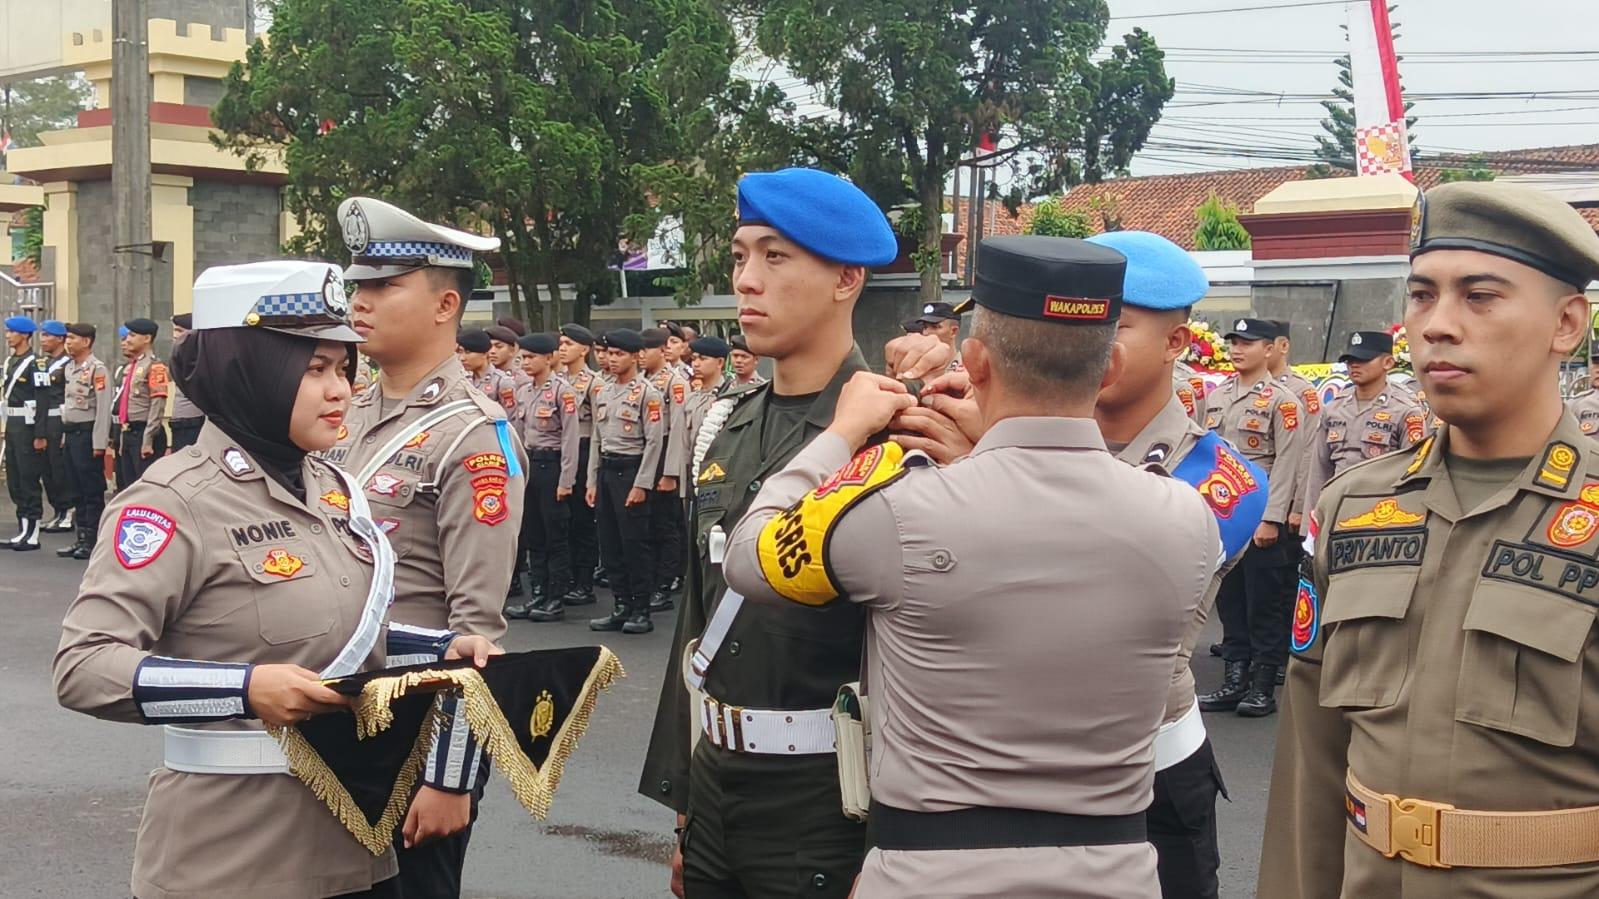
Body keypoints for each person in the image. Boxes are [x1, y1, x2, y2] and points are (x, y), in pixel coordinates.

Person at [720, 234, 1220, 898]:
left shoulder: (897, 511)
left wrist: (838, 435)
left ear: (974, 362)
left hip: (927, 872)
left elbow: (751, 555)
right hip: (1115, 870)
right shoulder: (1186, 515)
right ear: (1106, 369)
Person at [53, 258, 496, 899]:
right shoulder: (175, 501)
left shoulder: (333, 488)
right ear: (248, 370)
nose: (341, 389)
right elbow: (83, 666)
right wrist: (244, 689)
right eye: (314, 369)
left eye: (344, 368)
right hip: (232, 854)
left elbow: (334, 635)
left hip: (358, 848)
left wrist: (440, 650)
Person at [1258, 183, 1599, 896]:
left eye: (1479, 296)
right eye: (1421, 295)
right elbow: (1311, 761)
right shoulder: (1354, 505)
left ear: (1566, 323)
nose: (1437, 324)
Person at [640, 166, 897, 899]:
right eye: (739, 255)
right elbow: (698, 624)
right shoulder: (728, 423)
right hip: (719, 783)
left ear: (847, 277)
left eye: (775, 256)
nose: (746, 279)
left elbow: (915, 654)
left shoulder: (888, 438)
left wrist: (890, 840)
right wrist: (686, 807)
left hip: (829, 800)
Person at [325, 196, 525, 897]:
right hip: (329, 716)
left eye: (383, 285)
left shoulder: (472, 435)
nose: (361, 300)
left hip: (410, 734)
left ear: (445, 304)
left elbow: (476, 631)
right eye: (357, 284)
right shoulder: (345, 413)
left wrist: (451, 776)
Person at [1084, 230, 1271, 899]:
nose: (1089, 339)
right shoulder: (1004, 437)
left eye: (1117, 324)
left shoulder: (1221, 477)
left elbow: (1107, 600)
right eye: (1076, 318)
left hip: (1150, 772)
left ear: (1175, 344)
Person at [1199, 317, 1305, 717]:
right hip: (1224, 513)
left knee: (1264, 602)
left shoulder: (1283, 400)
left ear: (1269, 349)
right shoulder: (1217, 396)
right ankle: (1234, 678)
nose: (1238, 348)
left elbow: (1290, 464)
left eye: (1247, 342)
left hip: (1260, 511)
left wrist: (1273, 518)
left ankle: (1262, 685)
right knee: (1229, 598)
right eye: (1234, 342)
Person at [585, 327, 666, 634]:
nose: (613, 359)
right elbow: (596, 437)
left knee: (635, 544)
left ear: (635, 356)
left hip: (631, 472)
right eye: (610, 353)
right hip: (607, 471)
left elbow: (655, 443)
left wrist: (642, 484)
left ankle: (641, 609)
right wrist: (592, 480)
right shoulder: (603, 390)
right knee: (610, 543)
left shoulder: (648, 393)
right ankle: (621, 605)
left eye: (620, 354)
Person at [1302, 330, 1429, 513]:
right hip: (1335, 507)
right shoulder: (1334, 408)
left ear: (1388, 363)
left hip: (1380, 511)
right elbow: (1319, 469)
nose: (1354, 366)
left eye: (1363, 360)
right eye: (1350, 361)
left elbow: (1413, 472)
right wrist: (1311, 521)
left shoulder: (1404, 410)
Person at [506, 333, 580, 622]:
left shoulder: (563, 391)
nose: (525, 362)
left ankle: (555, 597)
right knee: (534, 534)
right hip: (530, 465)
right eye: (523, 357)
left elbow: (571, 439)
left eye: (531, 357)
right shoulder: (523, 391)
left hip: (553, 466)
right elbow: (519, 434)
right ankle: (538, 592)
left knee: (555, 535)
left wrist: (566, 480)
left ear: (548, 358)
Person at [641, 327, 691, 612]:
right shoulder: (643, 381)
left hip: (666, 455)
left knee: (667, 525)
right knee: (648, 524)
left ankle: (665, 583)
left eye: (647, 350)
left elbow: (677, 430)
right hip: (648, 451)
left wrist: (670, 471)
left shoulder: (676, 382)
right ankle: (653, 579)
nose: (641, 356)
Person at [56, 322, 113, 560]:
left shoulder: (97, 369)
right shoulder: (69, 368)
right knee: (75, 489)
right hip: (70, 434)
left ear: (86, 342)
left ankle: (93, 540)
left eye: (72, 338)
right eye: (67, 338)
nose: (68, 342)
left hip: (87, 435)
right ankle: (81, 537)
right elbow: (67, 406)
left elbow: (102, 408)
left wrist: (99, 443)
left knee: (91, 490)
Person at [556, 323, 601, 607]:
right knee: (563, 520)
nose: (562, 348)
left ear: (584, 349)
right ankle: (568, 577)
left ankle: (584, 581)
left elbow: (598, 427)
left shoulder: (594, 383)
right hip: (562, 449)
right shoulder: (557, 381)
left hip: (584, 449)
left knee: (583, 520)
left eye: (568, 344)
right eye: (560, 343)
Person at [3, 315, 46, 549]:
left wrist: (40, 434)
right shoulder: (11, 361)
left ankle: (33, 532)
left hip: (29, 427)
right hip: (13, 425)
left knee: (29, 478)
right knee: (15, 478)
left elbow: (42, 399)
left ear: (25, 335)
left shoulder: (35, 363)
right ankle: (22, 528)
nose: (8, 336)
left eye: (12, 332)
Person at [112, 318, 170, 489]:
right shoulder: (130, 367)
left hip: (144, 432)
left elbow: (157, 403)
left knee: (145, 487)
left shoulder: (154, 366)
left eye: (132, 335)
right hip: (127, 433)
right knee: (128, 486)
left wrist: (148, 438)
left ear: (146, 338)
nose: (127, 339)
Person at [33, 320, 78, 534]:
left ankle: (68, 510)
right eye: (41, 335)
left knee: (60, 467)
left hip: (60, 420)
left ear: (60, 338)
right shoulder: (44, 363)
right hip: (45, 419)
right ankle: (58, 509)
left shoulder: (67, 364)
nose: (42, 339)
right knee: (47, 469)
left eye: (47, 335)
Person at [167, 313, 207, 452]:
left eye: (180, 331)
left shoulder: (199, 358)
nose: (175, 335)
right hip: (178, 422)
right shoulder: (179, 356)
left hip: (194, 421)